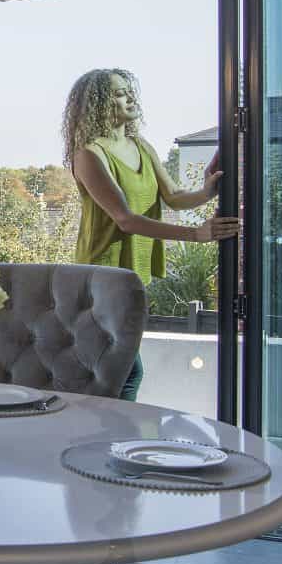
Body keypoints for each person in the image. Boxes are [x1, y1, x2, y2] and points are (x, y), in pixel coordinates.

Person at [61, 68, 240, 401]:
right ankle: (111, 439)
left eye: (130, 91)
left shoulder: (140, 146)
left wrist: (208, 191)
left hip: (133, 273)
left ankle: (108, 437)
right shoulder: (88, 155)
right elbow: (125, 219)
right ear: (97, 103)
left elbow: (173, 196)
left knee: (122, 369)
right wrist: (197, 235)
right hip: (100, 274)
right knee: (125, 370)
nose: (129, 97)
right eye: (118, 93)